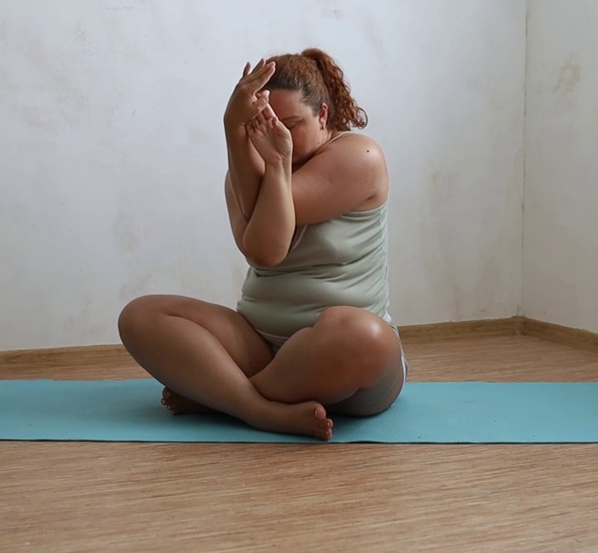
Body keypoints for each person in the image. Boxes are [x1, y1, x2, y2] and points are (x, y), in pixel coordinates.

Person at [118, 48, 406, 441]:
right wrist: (234, 133)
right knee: (140, 316)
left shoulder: (359, 156)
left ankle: (223, 397)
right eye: (261, 125)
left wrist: (265, 158)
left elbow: (270, 224)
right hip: (262, 346)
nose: (278, 136)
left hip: (345, 362)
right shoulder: (243, 173)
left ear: (323, 115)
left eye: (290, 124)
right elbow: (264, 251)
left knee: (363, 334)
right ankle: (258, 409)